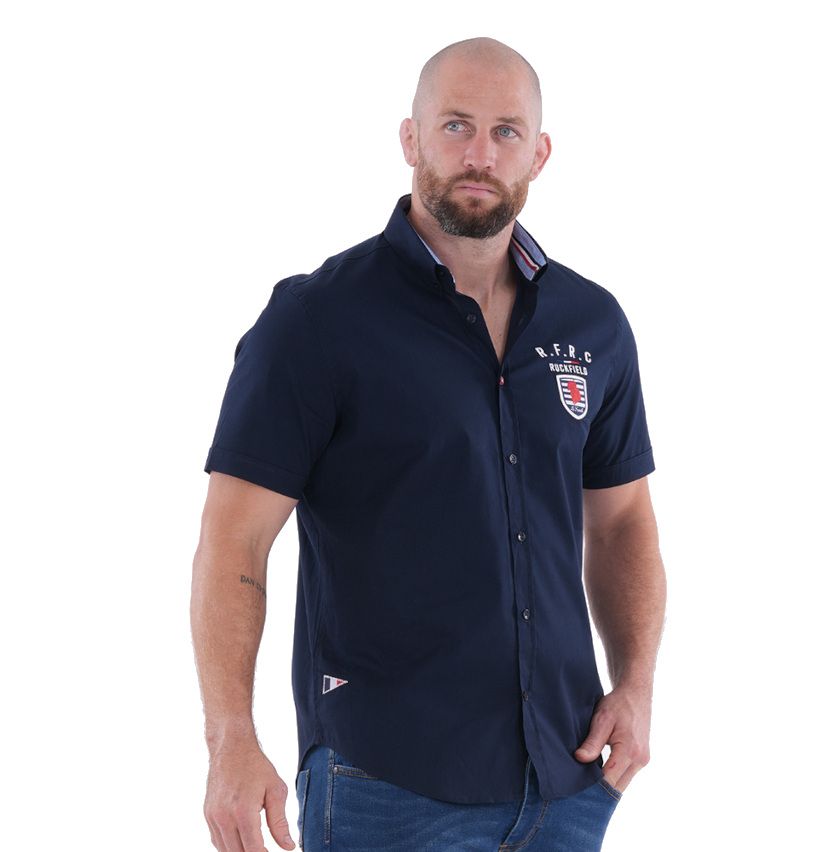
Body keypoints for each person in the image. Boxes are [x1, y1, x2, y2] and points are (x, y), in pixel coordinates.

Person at [191, 36, 666, 852]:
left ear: (540, 154)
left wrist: (637, 684)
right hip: (386, 787)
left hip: (567, 784)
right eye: (455, 126)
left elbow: (622, 520)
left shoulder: (593, 324)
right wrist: (230, 737)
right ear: (411, 139)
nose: (480, 155)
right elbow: (234, 542)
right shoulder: (317, 322)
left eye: (506, 132)